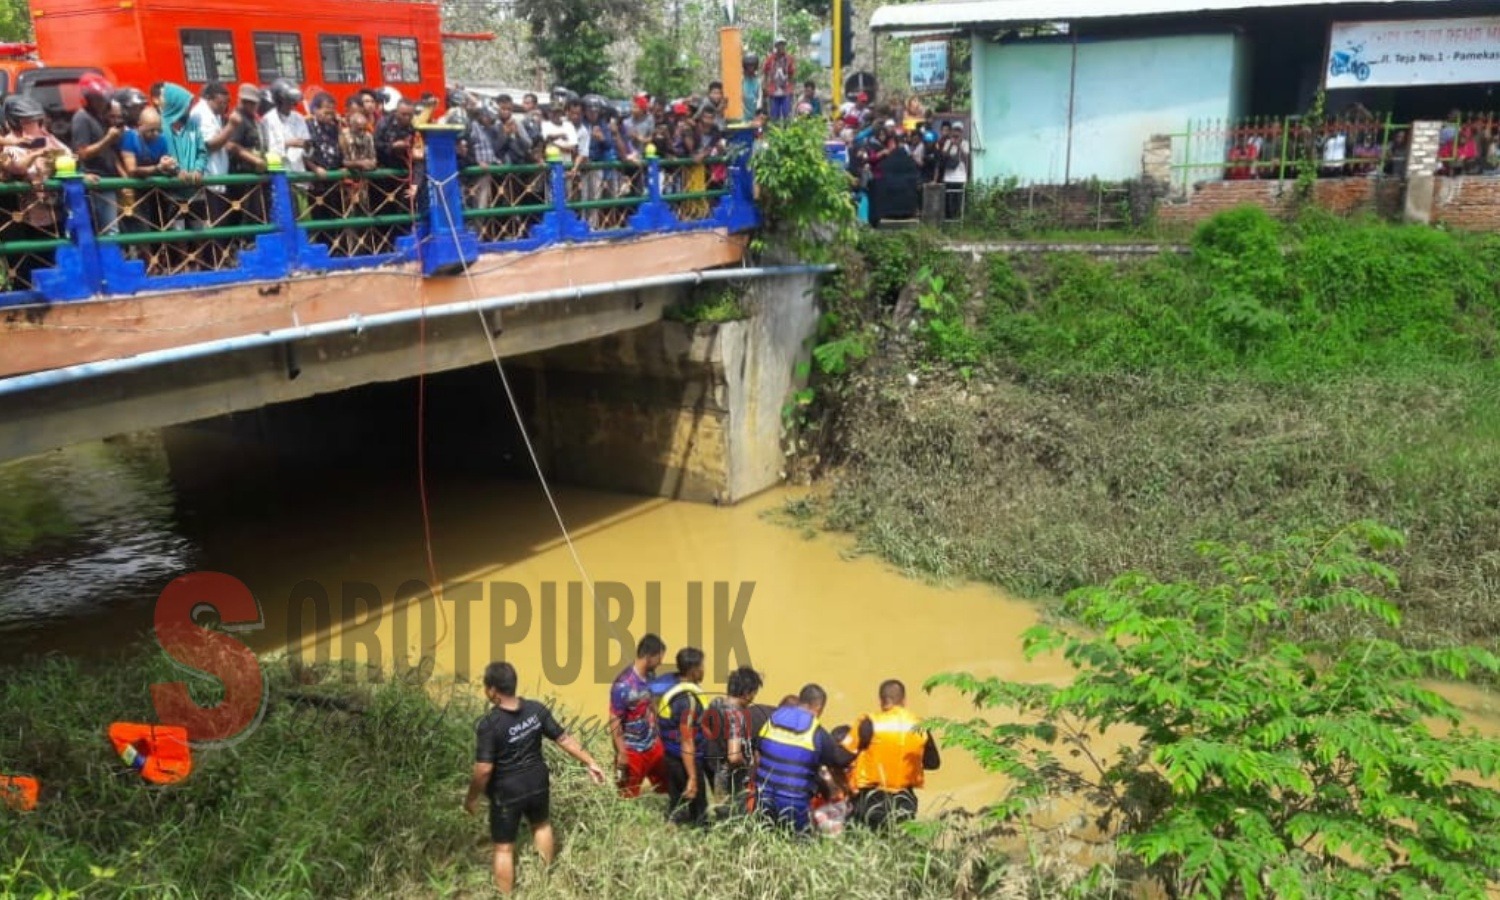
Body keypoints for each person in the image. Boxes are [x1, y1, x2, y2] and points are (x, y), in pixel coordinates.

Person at [464, 661, 606, 896]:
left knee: (503, 849)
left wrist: (471, 798)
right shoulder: (536, 710)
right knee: (541, 825)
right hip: (538, 782)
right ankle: (545, 881)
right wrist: (591, 762)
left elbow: (484, 770)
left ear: (491, 690)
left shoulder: (489, 725)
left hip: (507, 791)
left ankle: (506, 895)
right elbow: (564, 739)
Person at [754, 683, 856, 834]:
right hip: (793, 801)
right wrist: (859, 742)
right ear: (819, 707)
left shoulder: (774, 718)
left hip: (763, 796)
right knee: (801, 843)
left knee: (765, 836)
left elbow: (758, 751)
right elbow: (838, 760)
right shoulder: (815, 730)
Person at [842, 679, 940, 828]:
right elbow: (933, 763)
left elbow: (842, 757)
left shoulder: (869, 723)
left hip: (871, 800)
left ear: (882, 700)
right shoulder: (919, 726)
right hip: (904, 801)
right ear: (904, 700)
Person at [608, 633, 669, 798]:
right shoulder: (622, 685)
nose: (661, 662)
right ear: (649, 657)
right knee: (627, 796)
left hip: (653, 744)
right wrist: (622, 753)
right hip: (633, 749)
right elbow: (614, 720)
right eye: (659, 658)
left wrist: (660, 732)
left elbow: (651, 704)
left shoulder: (650, 676)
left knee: (668, 785)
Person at [657, 647, 709, 826]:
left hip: (670, 755)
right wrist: (693, 777)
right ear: (693, 670)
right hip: (685, 760)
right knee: (699, 811)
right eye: (702, 666)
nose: (704, 670)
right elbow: (687, 740)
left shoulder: (670, 686)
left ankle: (671, 832)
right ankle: (700, 840)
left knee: (676, 803)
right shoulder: (688, 700)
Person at [702, 665, 762, 816]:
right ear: (747, 693)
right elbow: (734, 756)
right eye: (754, 693)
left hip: (718, 770)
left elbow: (705, 726)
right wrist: (748, 765)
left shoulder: (716, 703)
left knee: (721, 810)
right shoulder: (736, 716)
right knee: (736, 815)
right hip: (734, 776)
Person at [764, 39, 796, 122]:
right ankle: (775, 133)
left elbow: (792, 74)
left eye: (783, 45)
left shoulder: (789, 59)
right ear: (776, 46)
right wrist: (765, 87)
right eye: (780, 45)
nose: (782, 47)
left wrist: (791, 88)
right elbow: (765, 73)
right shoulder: (770, 59)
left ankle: (786, 132)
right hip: (773, 90)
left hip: (785, 90)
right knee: (774, 116)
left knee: (787, 114)